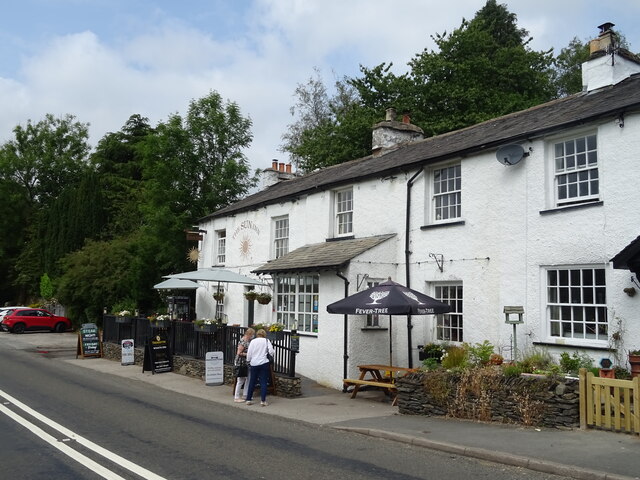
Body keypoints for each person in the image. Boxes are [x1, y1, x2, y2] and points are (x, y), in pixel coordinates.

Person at [244, 329, 275, 406]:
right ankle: (263, 401)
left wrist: (248, 361)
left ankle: (248, 399)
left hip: (254, 363)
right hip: (264, 363)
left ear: (257, 334)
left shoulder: (253, 341)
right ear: (264, 334)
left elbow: (249, 353)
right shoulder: (266, 341)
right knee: (263, 382)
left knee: (252, 381)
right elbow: (271, 351)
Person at [233, 328, 254, 402]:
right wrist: (248, 354)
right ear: (249, 334)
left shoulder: (249, 341)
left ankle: (245, 395)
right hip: (241, 362)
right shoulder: (243, 341)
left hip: (246, 362)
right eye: (252, 335)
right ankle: (236, 397)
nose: (252, 336)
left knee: (248, 378)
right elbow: (239, 353)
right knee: (241, 380)